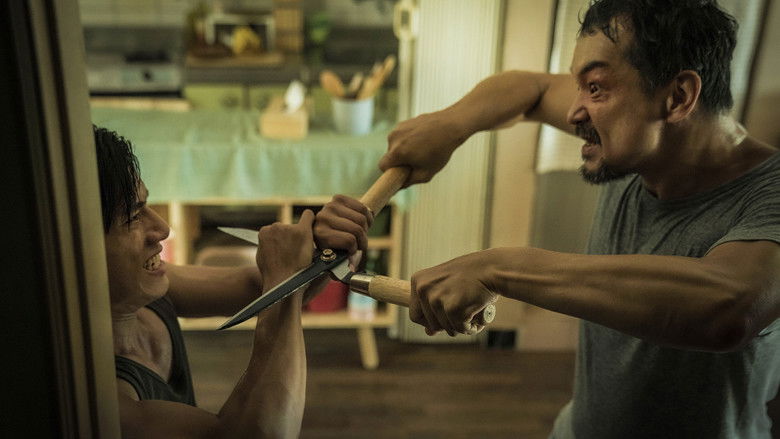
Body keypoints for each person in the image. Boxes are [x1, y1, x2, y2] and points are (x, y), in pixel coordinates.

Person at [328, 0, 780, 437]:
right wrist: (450, 125)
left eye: (596, 88)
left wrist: (497, 268)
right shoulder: (640, 140)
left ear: (678, 97)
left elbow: (731, 306)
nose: (573, 111)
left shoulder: (769, 191)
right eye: (580, 86)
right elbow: (532, 89)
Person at [95, 125, 366, 438]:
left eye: (146, 205)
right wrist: (286, 278)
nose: (163, 228)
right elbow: (264, 434)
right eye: (132, 217)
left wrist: (328, 251)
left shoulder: (144, 287)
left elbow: (259, 287)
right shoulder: (106, 400)